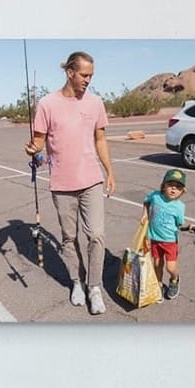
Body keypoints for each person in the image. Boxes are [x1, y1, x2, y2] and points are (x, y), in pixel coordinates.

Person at [24, 50, 116, 315]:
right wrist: (32, 149)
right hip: (62, 184)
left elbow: (100, 139)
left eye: (91, 76)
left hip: (91, 180)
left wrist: (110, 171)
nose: (88, 80)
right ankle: (77, 281)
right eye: (84, 75)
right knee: (68, 238)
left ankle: (94, 287)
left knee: (96, 235)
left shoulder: (96, 103)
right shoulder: (47, 104)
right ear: (70, 72)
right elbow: (39, 142)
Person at [141, 168, 188, 300]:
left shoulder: (179, 206)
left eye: (178, 187)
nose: (173, 189)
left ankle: (175, 279)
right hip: (154, 239)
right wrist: (144, 214)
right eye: (170, 185)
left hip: (170, 241)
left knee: (170, 267)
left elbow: (180, 223)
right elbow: (146, 201)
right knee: (157, 264)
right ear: (163, 186)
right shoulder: (155, 196)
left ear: (182, 191)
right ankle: (159, 284)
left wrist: (189, 227)